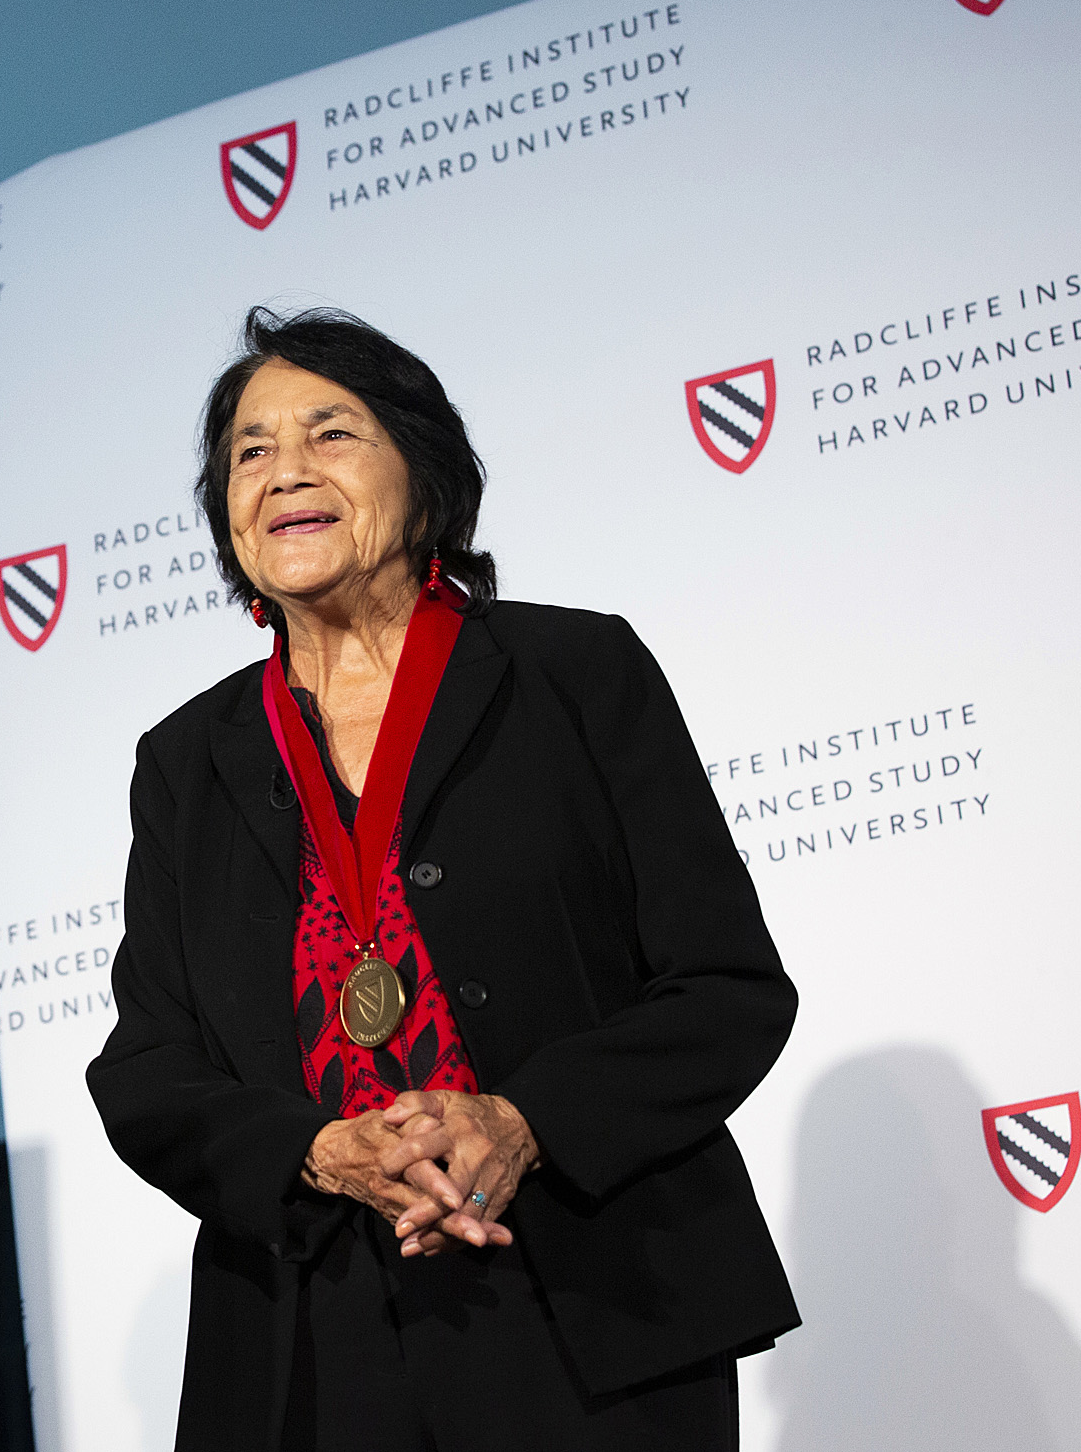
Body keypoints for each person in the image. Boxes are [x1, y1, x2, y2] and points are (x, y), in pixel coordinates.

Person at [86, 308, 801, 1451]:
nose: (284, 473)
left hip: (586, 1289)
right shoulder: (186, 761)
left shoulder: (575, 673)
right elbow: (148, 1072)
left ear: (423, 476)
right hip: (307, 1336)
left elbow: (725, 987)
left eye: (331, 433)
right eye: (250, 452)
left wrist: (525, 1119)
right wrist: (318, 1152)